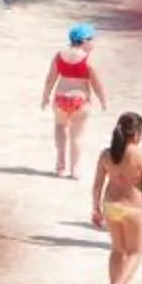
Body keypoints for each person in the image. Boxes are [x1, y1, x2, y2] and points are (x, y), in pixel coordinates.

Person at [90, 112, 142, 284]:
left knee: (118, 250)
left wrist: (96, 208)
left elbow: (97, 185)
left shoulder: (105, 155)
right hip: (133, 209)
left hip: (111, 206)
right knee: (136, 252)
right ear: (136, 134)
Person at [44, 23, 102, 176]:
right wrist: (103, 100)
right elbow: (97, 84)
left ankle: (60, 165)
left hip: (60, 99)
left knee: (60, 127)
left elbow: (51, 78)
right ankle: (75, 169)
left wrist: (45, 97)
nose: (94, 43)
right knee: (77, 135)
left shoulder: (59, 56)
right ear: (84, 41)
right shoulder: (87, 60)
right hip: (80, 101)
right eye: (92, 40)